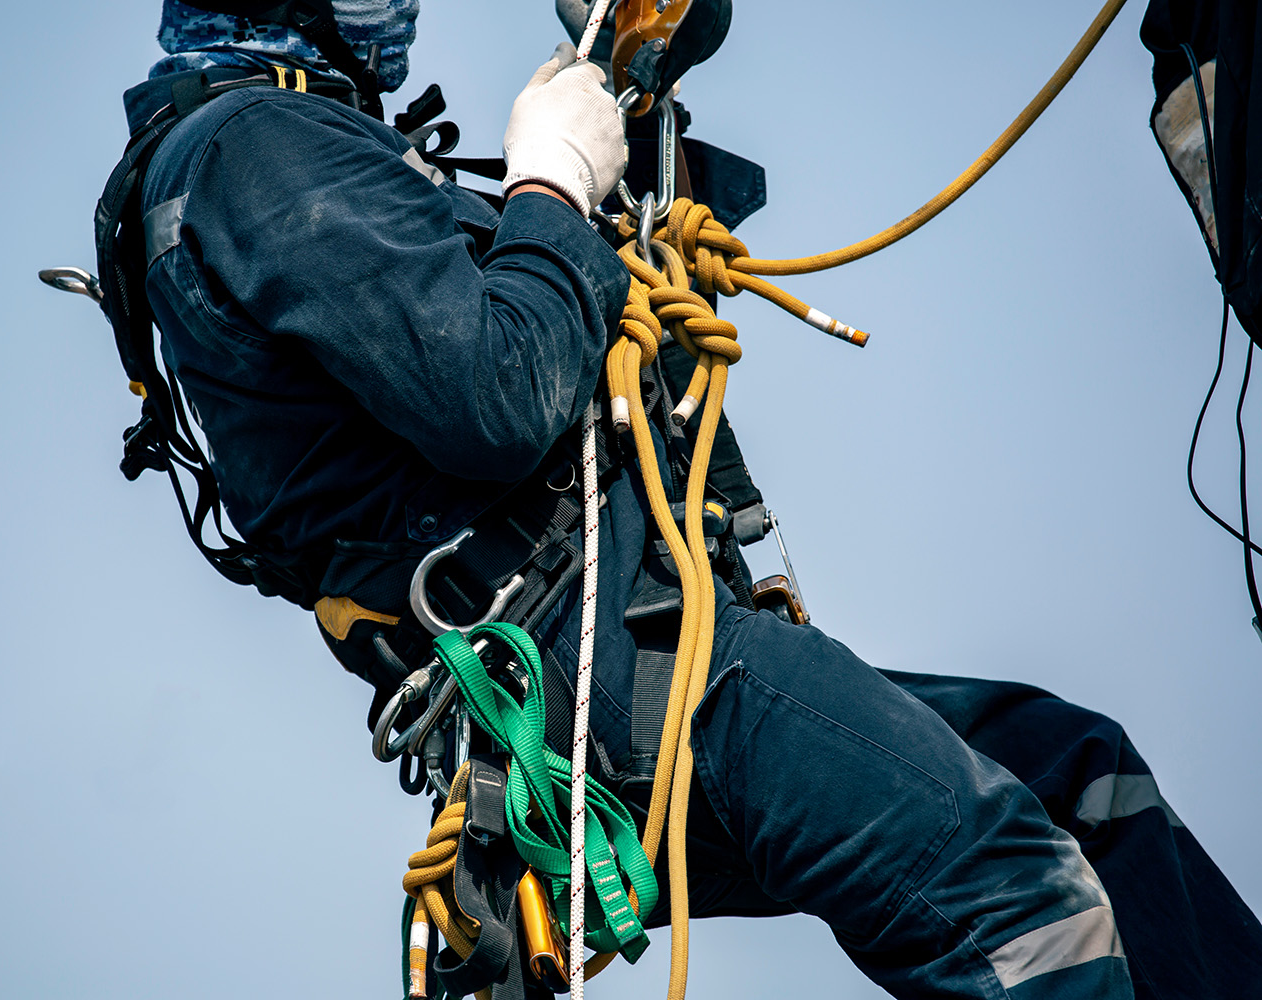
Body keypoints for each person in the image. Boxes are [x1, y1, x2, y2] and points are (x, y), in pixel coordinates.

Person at [107, 1, 1262, 997]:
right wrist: (550, 186)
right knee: (1000, 878)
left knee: (1073, 773)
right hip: (598, 661)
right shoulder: (257, 144)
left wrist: (617, 143)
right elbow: (495, 391)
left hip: (627, 645)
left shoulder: (281, 147)